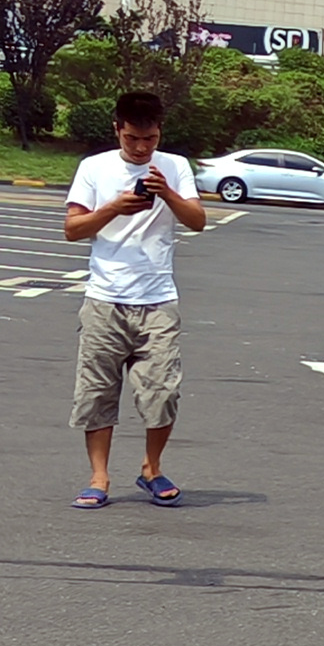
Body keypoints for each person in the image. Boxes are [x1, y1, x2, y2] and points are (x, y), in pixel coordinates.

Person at [63, 89, 207, 507]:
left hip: (158, 299)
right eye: (132, 139)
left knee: (163, 391)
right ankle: (99, 477)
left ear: (160, 132)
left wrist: (168, 194)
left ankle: (152, 468)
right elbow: (72, 229)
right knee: (96, 392)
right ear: (117, 129)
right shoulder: (94, 168)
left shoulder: (175, 167)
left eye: (150, 139)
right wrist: (113, 209)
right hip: (105, 298)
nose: (142, 148)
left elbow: (197, 221)